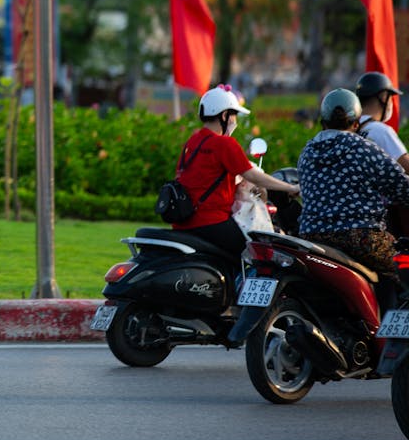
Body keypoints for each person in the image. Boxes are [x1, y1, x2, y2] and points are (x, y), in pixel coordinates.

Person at [172, 85, 300, 255]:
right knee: (258, 251)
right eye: (234, 116)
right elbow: (254, 176)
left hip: (183, 222)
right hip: (212, 222)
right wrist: (290, 188)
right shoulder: (224, 144)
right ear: (224, 115)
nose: (235, 121)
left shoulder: (193, 141)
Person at [297, 88, 409, 282]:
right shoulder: (362, 148)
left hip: (311, 238)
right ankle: (393, 311)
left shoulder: (307, 152)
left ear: (323, 123)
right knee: (404, 262)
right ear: (356, 123)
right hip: (360, 238)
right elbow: (400, 186)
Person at [355, 71, 409, 172]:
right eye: (390, 98)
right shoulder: (381, 131)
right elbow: (406, 165)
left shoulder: (349, 129)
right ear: (383, 97)